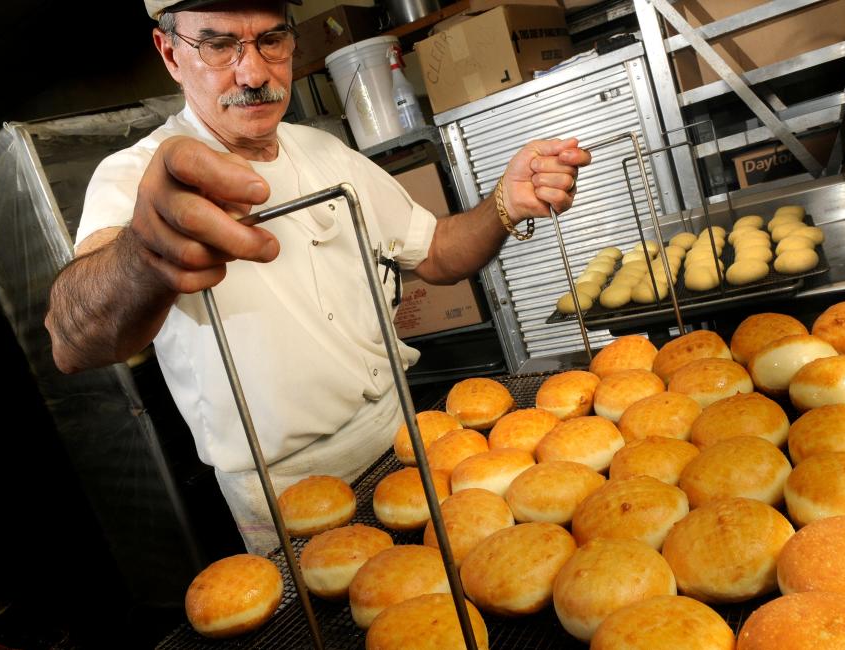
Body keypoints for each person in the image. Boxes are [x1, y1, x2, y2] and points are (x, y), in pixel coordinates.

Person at [44, 0, 591, 554]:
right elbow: (71, 341)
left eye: (271, 41)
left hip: (403, 437)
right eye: (218, 45)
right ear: (171, 53)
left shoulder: (325, 151)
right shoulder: (133, 176)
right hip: (283, 487)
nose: (254, 73)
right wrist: (142, 252)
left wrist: (504, 202)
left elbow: (438, 253)